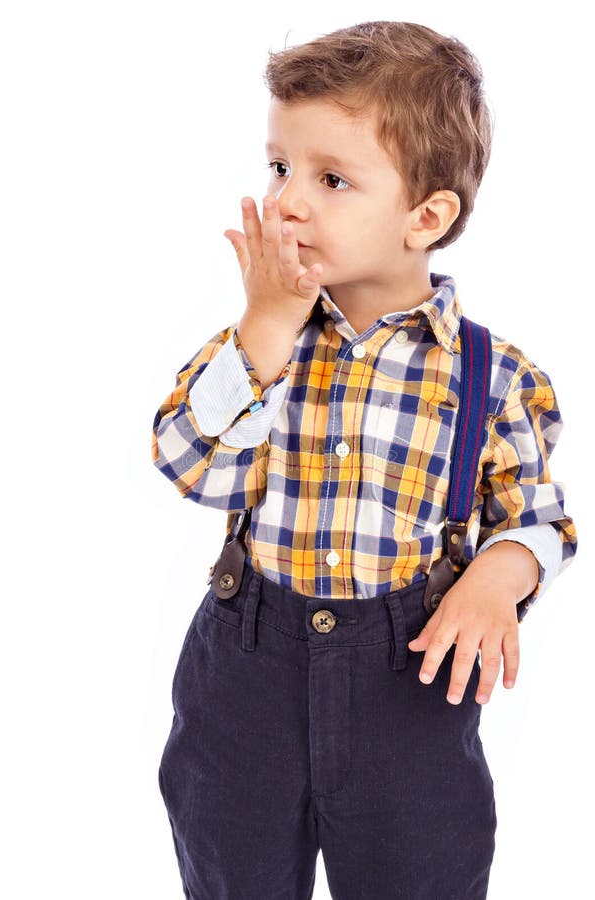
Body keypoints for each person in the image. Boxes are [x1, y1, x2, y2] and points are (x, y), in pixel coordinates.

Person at [151, 20, 577, 900]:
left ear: (427, 216)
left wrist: (497, 578)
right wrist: (264, 327)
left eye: (331, 179)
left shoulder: (493, 376)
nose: (288, 203)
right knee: (230, 873)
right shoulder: (258, 345)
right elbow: (191, 465)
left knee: (421, 875)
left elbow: (534, 516)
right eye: (279, 169)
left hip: (406, 683)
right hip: (247, 670)